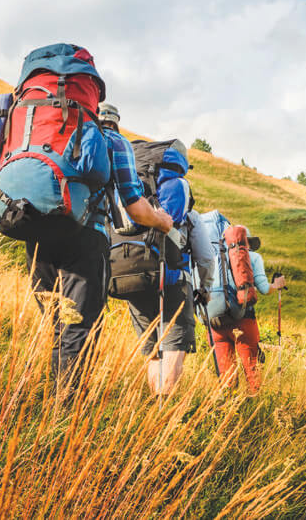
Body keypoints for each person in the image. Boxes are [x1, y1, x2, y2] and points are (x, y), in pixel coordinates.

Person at [30, 98, 173, 389]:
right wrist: (161, 222)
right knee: (79, 329)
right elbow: (134, 207)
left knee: (54, 324)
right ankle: (66, 415)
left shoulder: (49, 130)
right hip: (84, 237)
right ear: (114, 122)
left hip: (37, 235)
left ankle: (46, 400)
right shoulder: (114, 141)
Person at [100, 107, 211, 395]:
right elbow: (204, 254)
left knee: (151, 346)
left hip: (123, 270)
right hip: (169, 275)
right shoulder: (178, 185)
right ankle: (164, 402)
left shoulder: (124, 181)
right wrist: (205, 286)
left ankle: (154, 399)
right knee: (174, 341)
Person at [210, 227, 286, 393]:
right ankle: (254, 405)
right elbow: (265, 289)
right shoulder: (254, 257)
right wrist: (277, 285)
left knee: (226, 371)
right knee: (252, 367)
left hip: (216, 320)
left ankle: (228, 408)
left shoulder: (214, 258)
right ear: (246, 242)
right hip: (243, 319)